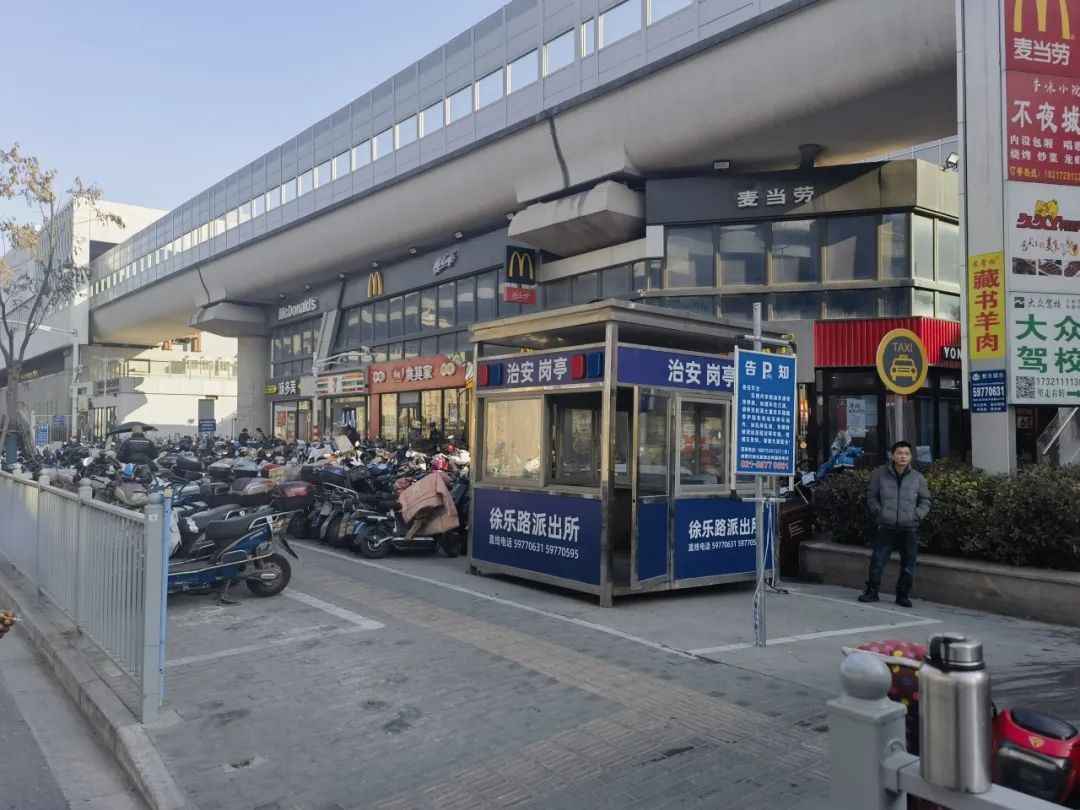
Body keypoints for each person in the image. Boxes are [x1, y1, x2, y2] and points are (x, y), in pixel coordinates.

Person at [859, 441, 931, 607]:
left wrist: (917, 515)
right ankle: (872, 591)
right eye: (899, 453)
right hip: (886, 526)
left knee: (908, 563)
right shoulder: (880, 475)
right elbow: (871, 496)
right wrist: (879, 512)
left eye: (906, 453)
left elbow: (925, 500)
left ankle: (902, 595)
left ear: (911, 456)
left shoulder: (917, 478)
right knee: (877, 561)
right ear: (892, 455)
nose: (903, 457)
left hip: (909, 527)